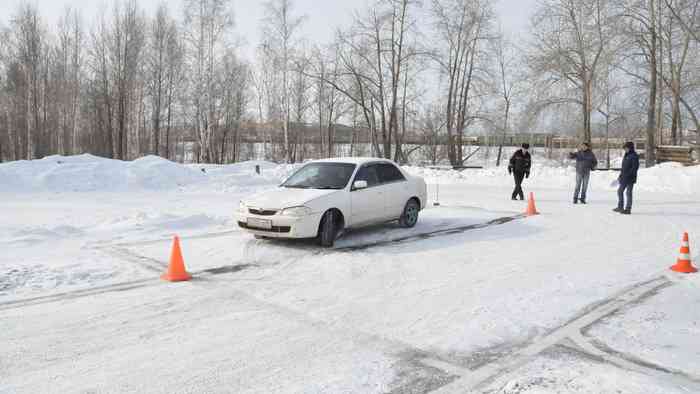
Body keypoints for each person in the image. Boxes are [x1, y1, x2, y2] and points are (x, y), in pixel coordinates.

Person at [614, 141, 640, 215]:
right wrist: (620, 176)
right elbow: (624, 167)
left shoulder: (634, 156)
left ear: (630, 148)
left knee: (628, 193)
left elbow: (635, 168)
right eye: (624, 148)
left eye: (626, 148)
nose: (625, 150)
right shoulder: (626, 155)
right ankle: (620, 207)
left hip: (630, 178)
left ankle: (628, 209)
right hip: (624, 177)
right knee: (620, 191)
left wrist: (628, 175)